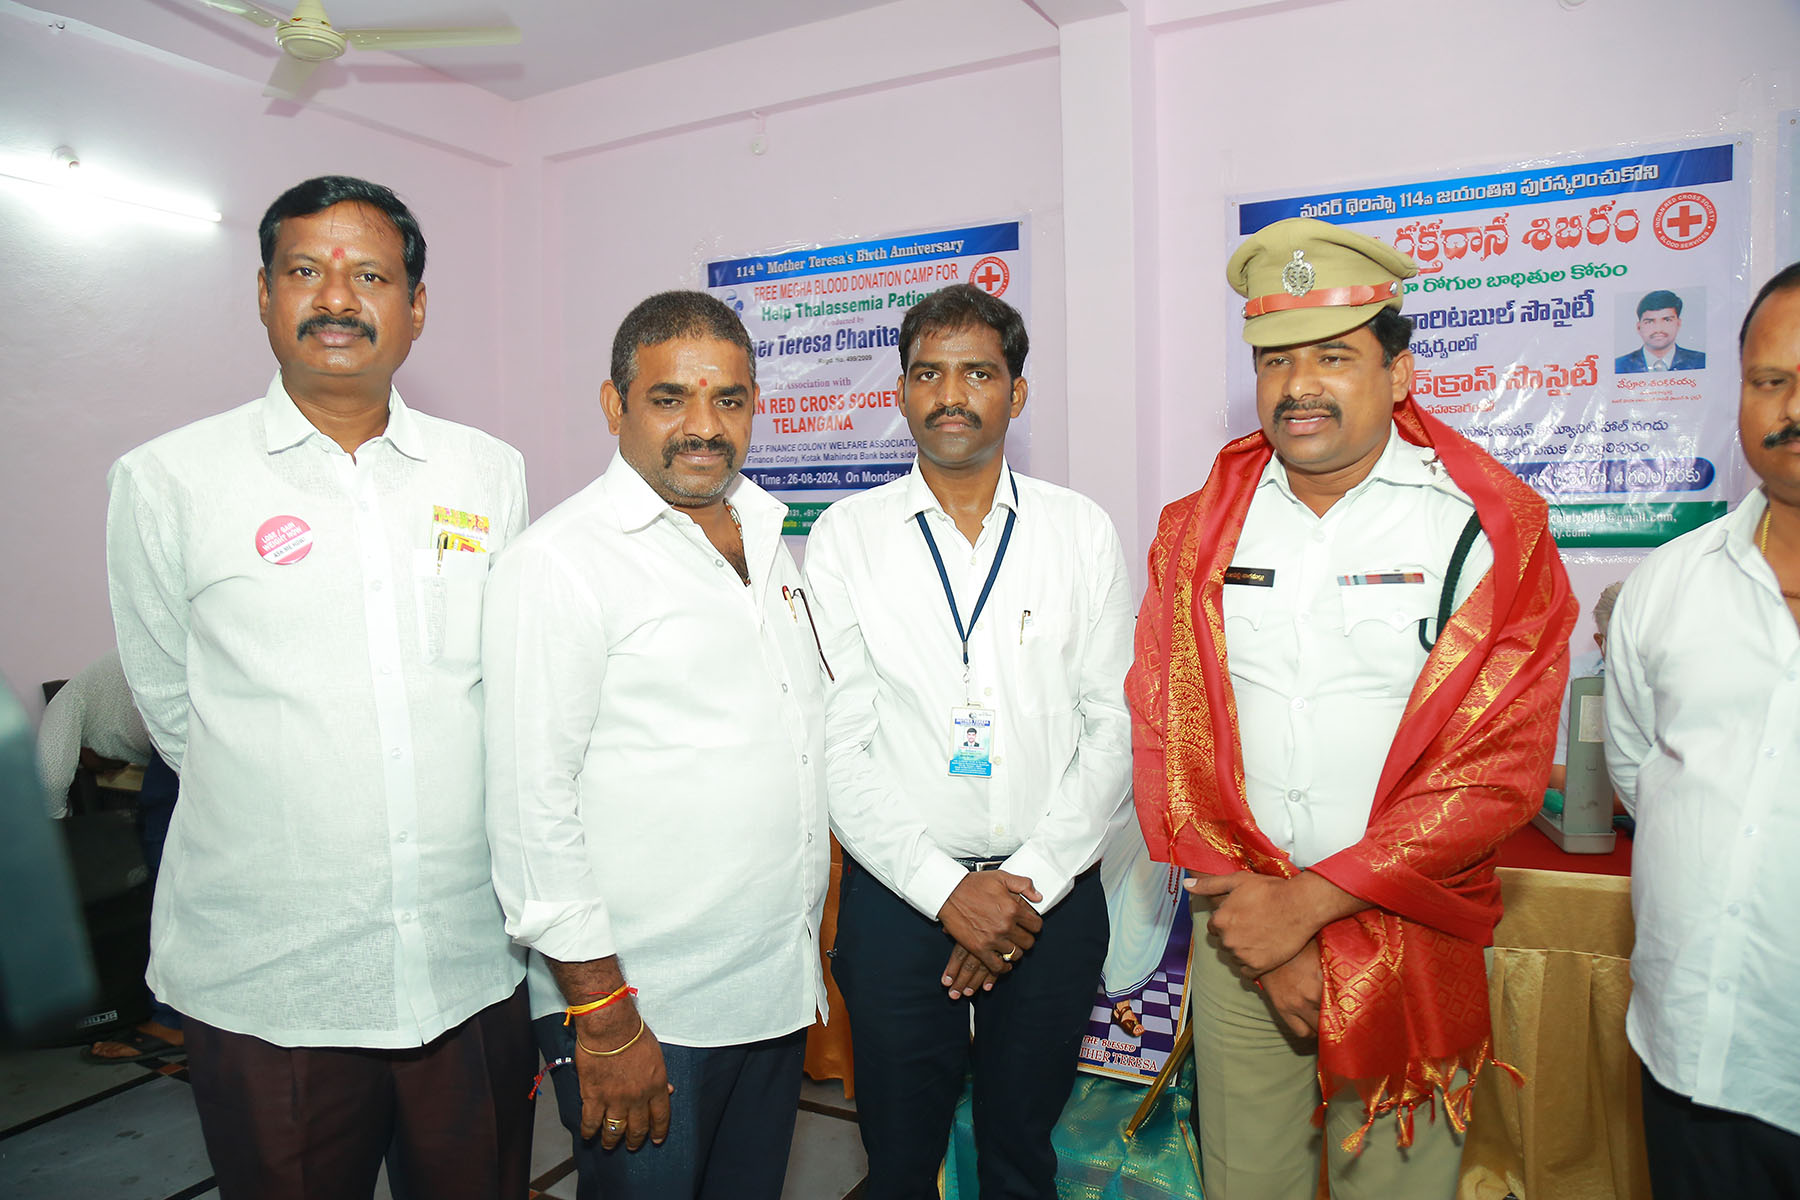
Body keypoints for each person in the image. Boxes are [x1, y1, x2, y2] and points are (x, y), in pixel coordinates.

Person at [1127, 217, 1574, 1199]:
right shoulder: (1196, 532)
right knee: (1247, 1183)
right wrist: (1261, 925)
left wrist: (1308, 907)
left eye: (1333, 355)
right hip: (1240, 932)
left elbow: (1497, 771)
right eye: (1276, 360)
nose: (1300, 385)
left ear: (1400, 373)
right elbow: (1168, 731)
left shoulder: (1486, 530)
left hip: (1408, 933)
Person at [106, 175, 534, 1200]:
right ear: (264, 294)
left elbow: (507, 686)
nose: (336, 297)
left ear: (416, 308)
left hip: (465, 964)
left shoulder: (487, 473)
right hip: (272, 979)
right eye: (305, 270)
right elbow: (174, 707)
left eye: (371, 277)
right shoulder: (167, 480)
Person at [483, 291, 829, 1200]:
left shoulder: (767, 535)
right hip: (642, 1010)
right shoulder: (562, 562)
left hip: (769, 988)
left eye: (729, 400)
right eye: (670, 398)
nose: (703, 427)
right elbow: (529, 809)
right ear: (615, 405)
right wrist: (603, 1015)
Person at [804, 284, 1134, 1200]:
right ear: (901, 392)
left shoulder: (1079, 531)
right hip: (901, 899)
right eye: (929, 374)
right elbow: (838, 743)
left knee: (1022, 1156)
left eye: (978, 373)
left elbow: (1113, 726)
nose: (951, 395)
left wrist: (1023, 884)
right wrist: (948, 892)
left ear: (1016, 393)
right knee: (899, 1162)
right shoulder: (846, 537)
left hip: (1050, 901)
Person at [1604, 262, 1800, 1200]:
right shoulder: (1669, 584)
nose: (1793, 408)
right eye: (1771, 380)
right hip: (1690, 1060)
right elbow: (1640, 770)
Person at [39, 649, 189, 1063]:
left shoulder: (69, 700)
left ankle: (172, 1021)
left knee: (167, 884)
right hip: (213, 717)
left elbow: (49, 776)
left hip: (185, 731)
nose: (106, 769)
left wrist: (58, 840)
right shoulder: (113, 683)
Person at [1546, 581, 1621, 794]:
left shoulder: (1680, 678)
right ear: (1601, 643)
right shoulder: (1575, 677)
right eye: (1621, 641)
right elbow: (1558, 773)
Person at [1615, 289, 1706, 373]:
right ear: (1639, 327)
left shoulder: (1701, 361)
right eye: (1650, 322)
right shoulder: (1618, 366)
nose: (1658, 329)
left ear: (1678, 324)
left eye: (1667, 320)